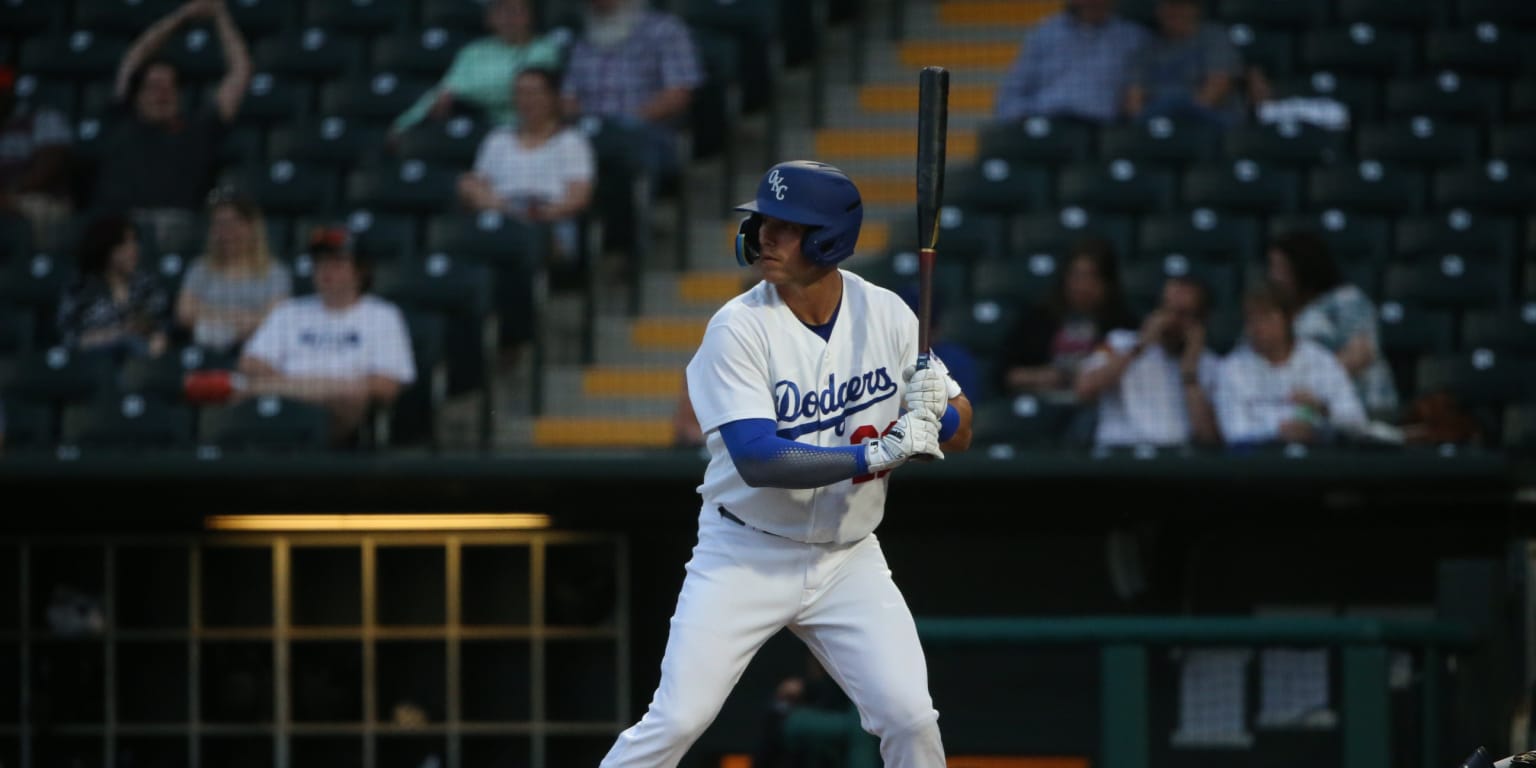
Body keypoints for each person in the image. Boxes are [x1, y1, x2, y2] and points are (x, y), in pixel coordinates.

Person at [599, 161, 973, 768]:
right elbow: (758, 458)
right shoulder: (738, 328)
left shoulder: (888, 316)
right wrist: (873, 453)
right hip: (745, 553)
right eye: (764, 223)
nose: (765, 237)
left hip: (848, 555)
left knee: (911, 719)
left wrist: (941, 414)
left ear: (829, 239)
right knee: (677, 721)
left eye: (787, 226)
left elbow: (960, 430)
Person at [203, 227, 415, 445]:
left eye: (337, 263)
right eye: (320, 263)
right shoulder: (290, 310)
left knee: (352, 392)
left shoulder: (383, 315)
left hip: (339, 413)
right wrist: (314, 388)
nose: (326, 271)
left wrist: (287, 386)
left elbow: (386, 386)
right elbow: (250, 363)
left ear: (360, 270)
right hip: (285, 407)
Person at [94, 0, 252, 249]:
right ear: (137, 94)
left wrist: (220, 16)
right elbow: (135, 56)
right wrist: (181, 16)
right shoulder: (121, 119)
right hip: (121, 226)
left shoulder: (198, 128)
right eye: (153, 87)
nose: (162, 94)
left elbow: (240, 72)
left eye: (170, 87)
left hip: (179, 228)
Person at [457, 67, 595, 265]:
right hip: (502, 213)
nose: (526, 100)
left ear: (553, 97)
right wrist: (505, 210)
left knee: (530, 237)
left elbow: (579, 197)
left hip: (548, 218)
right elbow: (478, 184)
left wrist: (538, 215)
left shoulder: (571, 141)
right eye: (520, 93)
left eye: (534, 93)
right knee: (466, 186)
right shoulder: (498, 138)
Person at [1266, 229, 1399, 421]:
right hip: (1304, 416)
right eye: (1272, 267)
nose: (1273, 276)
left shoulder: (1345, 300)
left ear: (1302, 268)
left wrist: (1310, 387)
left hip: (1365, 409)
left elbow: (1360, 354)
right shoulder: (1274, 312)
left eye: (1280, 268)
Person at [560, 0, 702, 179]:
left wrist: (629, 121)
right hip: (590, 130)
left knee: (621, 145)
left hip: (647, 130)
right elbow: (568, 96)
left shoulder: (666, 30)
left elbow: (679, 93)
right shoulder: (580, 38)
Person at [1075, 275, 1222, 448]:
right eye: (1167, 310)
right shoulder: (1118, 342)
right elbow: (1084, 388)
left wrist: (1189, 372)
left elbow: (1209, 437)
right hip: (1119, 456)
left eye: (1183, 314)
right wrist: (1140, 347)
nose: (1171, 321)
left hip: (1176, 462)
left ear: (1200, 321)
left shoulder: (1211, 364)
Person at [1214, 282, 1367, 447]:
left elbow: (1357, 422)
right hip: (1261, 464)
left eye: (1266, 317)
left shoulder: (1321, 361)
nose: (1257, 328)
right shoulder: (1232, 369)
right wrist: (1279, 431)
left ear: (1288, 319)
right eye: (1251, 319)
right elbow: (1234, 432)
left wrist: (1323, 410)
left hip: (1318, 461)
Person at [389, 0, 566, 139]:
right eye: (502, 11)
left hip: (522, 127)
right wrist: (405, 123)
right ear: (490, 18)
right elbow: (445, 90)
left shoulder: (544, 49)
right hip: (478, 124)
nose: (509, 18)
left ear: (530, 16)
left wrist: (464, 92)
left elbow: (513, 90)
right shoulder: (474, 51)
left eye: (516, 11)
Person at [999, 236, 1137, 397]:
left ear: (1108, 283)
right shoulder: (1039, 318)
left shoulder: (1123, 325)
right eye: (1076, 276)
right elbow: (1003, 374)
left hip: (1099, 407)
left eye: (1092, 277)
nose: (1083, 286)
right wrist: (1039, 376)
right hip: (1044, 405)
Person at [174, 185, 291, 355]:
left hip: (257, 353)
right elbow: (184, 313)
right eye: (219, 225)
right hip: (203, 351)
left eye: (234, 224)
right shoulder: (200, 268)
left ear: (251, 227)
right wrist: (244, 316)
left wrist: (209, 315)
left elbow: (275, 319)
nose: (226, 233)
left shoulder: (275, 272)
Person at [993, 0, 1149, 124]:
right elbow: (1009, 97)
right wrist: (1021, 118)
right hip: (1045, 122)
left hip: (1100, 131)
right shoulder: (1046, 33)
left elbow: (1139, 100)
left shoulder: (1133, 38)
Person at [56, 214, 171, 362]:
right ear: (106, 248)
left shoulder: (146, 284)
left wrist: (157, 337)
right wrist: (113, 335)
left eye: (134, 241)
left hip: (139, 362)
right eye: (124, 244)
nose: (134, 248)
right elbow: (69, 336)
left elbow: (161, 322)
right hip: (91, 362)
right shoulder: (80, 288)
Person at [1122, 0, 1247, 127]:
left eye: (1181, 6)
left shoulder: (1214, 37)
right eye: (1169, 6)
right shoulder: (1147, 50)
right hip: (1159, 121)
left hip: (1209, 121)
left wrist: (1181, 117)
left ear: (1195, 10)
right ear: (1158, 11)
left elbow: (1218, 87)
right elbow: (1134, 100)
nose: (1175, 12)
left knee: (1174, 103)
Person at [0, 65, 76, 253]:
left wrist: (11, 193)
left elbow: (49, 165)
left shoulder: (42, 117)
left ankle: (42, 265)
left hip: (33, 197)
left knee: (41, 210)